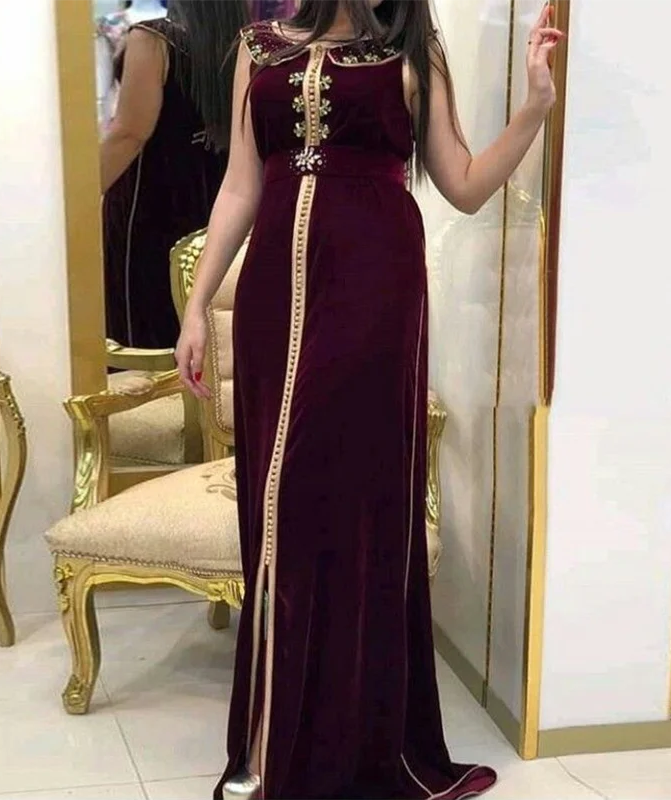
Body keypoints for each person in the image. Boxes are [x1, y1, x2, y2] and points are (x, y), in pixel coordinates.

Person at [175, 1, 564, 797]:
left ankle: (345, 741)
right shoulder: (259, 48)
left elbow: (462, 185)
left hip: (374, 289)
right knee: (277, 501)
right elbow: (241, 186)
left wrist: (534, 107)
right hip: (271, 294)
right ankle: (273, 738)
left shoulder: (413, 50)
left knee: (340, 493)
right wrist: (196, 304)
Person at [100, 0, 250, 350]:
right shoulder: (244, 43)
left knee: (143, 334)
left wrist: (77, 192)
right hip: (217, 201)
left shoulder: (153, 40)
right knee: (206, 327)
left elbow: (130, 133)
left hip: (150, 207)